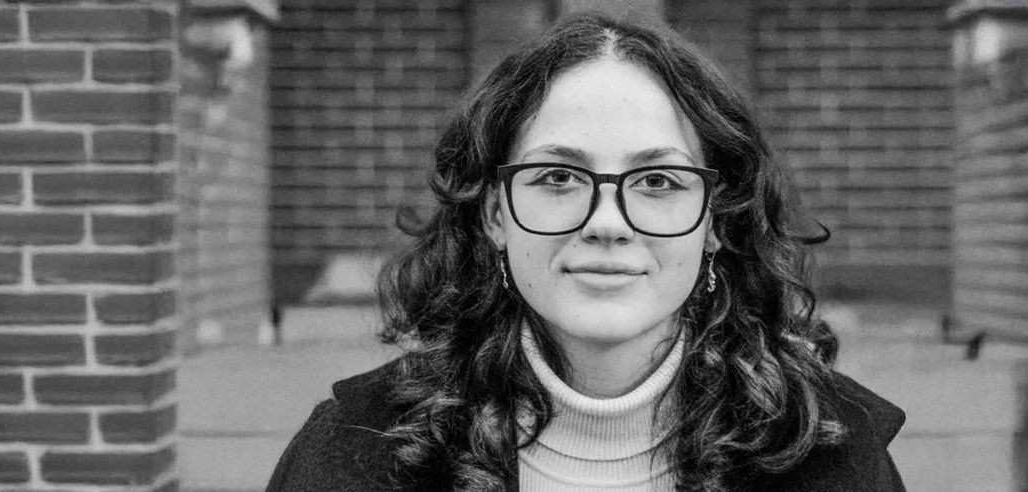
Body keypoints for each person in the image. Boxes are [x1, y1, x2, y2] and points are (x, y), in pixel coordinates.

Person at [268, 13, 905, 492]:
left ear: (714, 223)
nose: (607, 224)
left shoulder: (831, 455)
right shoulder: (350, 455)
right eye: (558, 178)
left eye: (658, 182)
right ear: (496, 214)